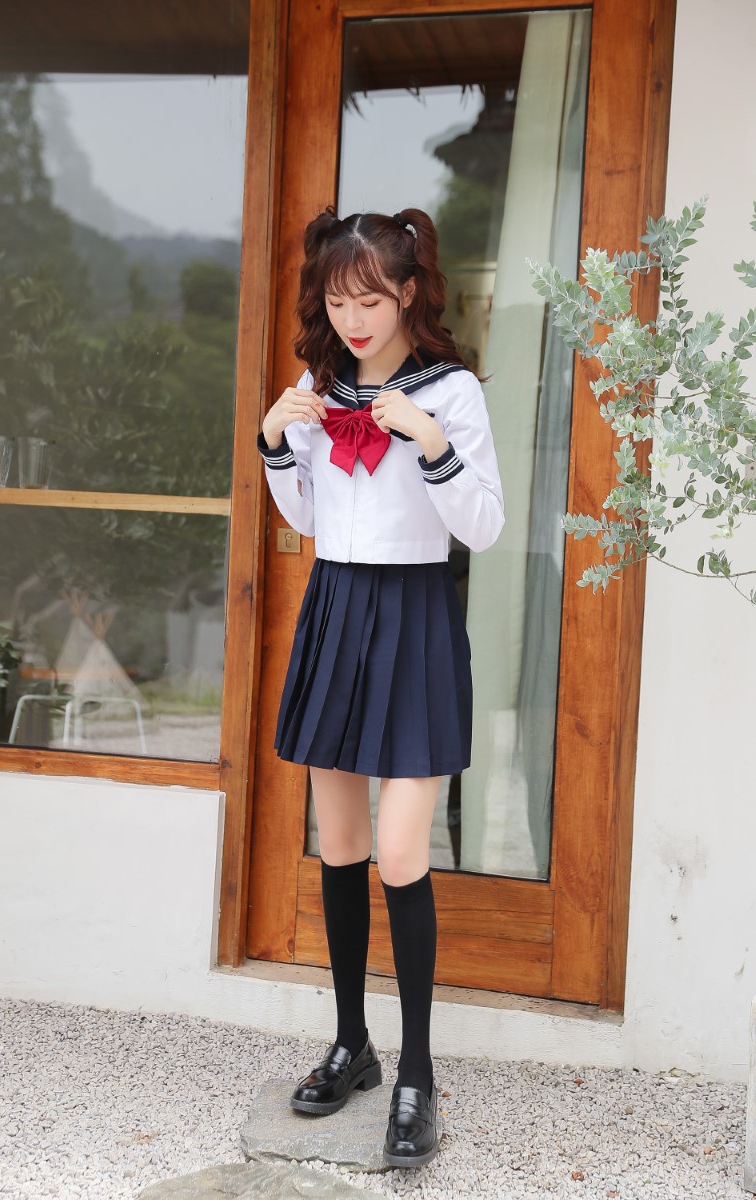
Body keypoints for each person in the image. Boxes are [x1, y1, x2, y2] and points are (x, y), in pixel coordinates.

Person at [256, 206, 504, 1168]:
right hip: (336, 610)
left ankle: (418, 1076)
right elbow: (308, 516)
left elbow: (481, 526)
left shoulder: (452, 391)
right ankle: (352, 1045)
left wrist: (431, 440)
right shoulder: (319, 388)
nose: (352, 319)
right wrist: (278, 442)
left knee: (402, 852)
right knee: (342, 845)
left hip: (414, 615)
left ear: (407, 293)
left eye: (368, 299)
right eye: (335, 301)